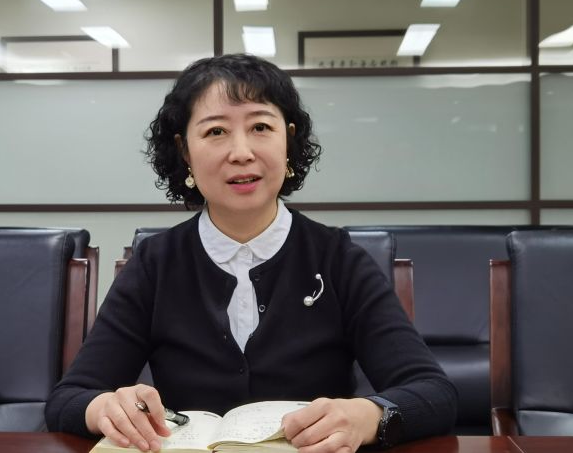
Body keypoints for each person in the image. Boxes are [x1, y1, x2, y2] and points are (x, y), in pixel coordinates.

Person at [45, 53, 457, 452]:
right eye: (215, 132)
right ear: (185, 151)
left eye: (260, 127)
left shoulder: (338, 259)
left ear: (288, 140)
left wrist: (368, 417)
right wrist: (105, 409)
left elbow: (434, 393)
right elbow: (68, 399)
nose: (241, 152)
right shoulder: (155, 263)